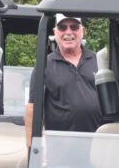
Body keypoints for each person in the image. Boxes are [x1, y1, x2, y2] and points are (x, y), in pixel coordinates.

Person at [25, 14, 101, 147]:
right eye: (62, 27)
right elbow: (33, 107)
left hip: (97, 144)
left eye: (74, 27)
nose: (68, 32)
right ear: (55, 32)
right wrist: (31, 147)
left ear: (82, 31)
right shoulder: (44, 64)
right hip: (60, 148)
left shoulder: (99, 60)